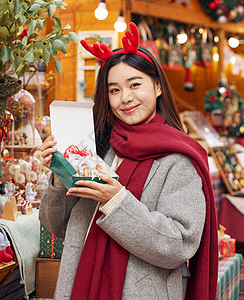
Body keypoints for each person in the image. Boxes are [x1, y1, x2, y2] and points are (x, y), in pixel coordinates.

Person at [39, 22, 218, 300]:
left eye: (135, 84)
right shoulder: (97, 147)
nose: (126, 98)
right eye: (114, 90)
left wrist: (116, 200)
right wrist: (58, 172)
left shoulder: (179, 159)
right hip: (80, 285)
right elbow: (56, 226)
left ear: (157, 86)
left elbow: (179, 246)